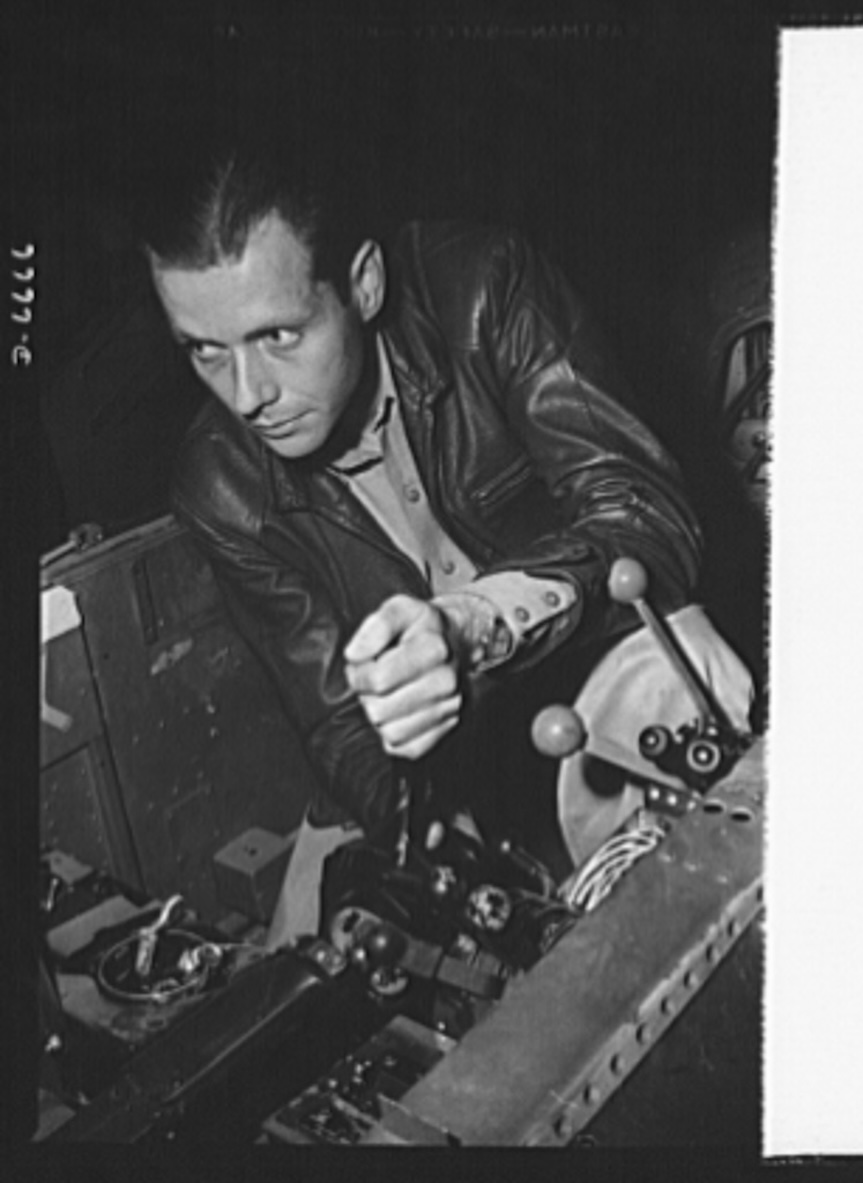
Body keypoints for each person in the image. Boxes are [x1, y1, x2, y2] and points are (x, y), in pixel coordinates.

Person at [140, 128, 754, 945]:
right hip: (439, 772)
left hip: (607, 658)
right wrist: (440, 860)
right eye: (204, 351)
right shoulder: (219, 486)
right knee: (312, 959)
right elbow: (337, 723)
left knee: (696, 684)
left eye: (278, 336)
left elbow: (645, 516)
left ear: (361, 283)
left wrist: (475, 623)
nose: (249, 396)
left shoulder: (485, 286)